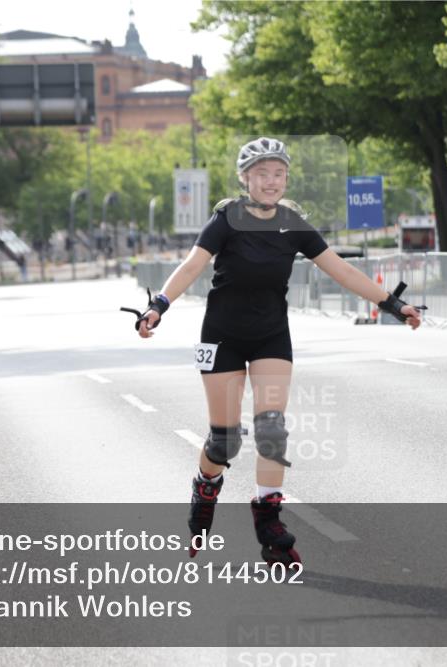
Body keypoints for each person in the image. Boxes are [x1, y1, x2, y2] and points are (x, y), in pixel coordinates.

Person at [133, 137, 423, 565]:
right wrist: (158, 305)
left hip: (271, 335)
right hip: (222, 337)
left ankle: (269, 518)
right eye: (262, 173)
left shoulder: (294, 224)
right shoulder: (226, 219)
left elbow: (340, 269)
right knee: (224, 440)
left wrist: (393, 304)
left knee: (272, 429)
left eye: (279, 173)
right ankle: (205, 485)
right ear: (245, 178)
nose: (271, 181)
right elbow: (193, 264)